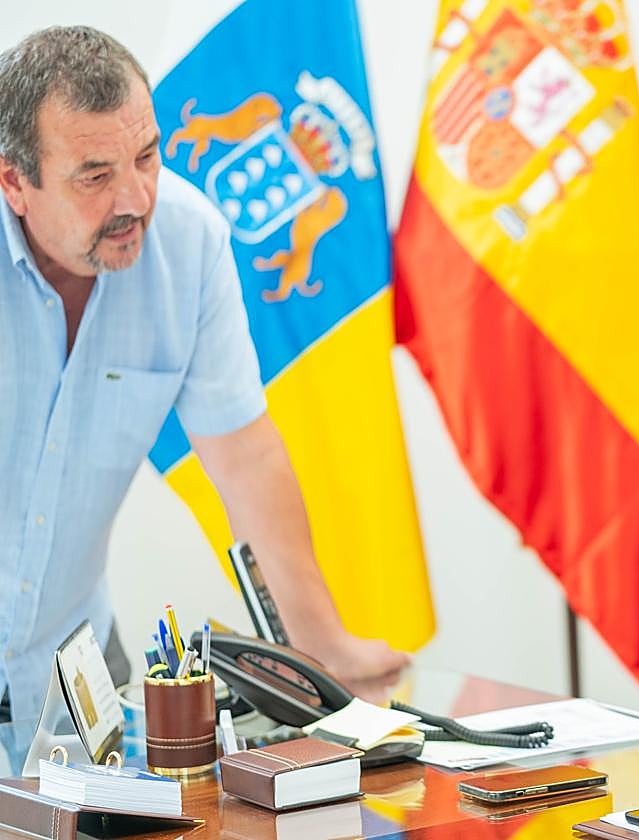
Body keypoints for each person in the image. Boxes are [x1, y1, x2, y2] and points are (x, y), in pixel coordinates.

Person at [0, 26, 409, 724]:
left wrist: (320, 646)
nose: (136, 199)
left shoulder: (189, 243)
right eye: (95, 176)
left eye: (146, 157)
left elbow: (247, 459)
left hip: (73, 669)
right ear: (15, 182)